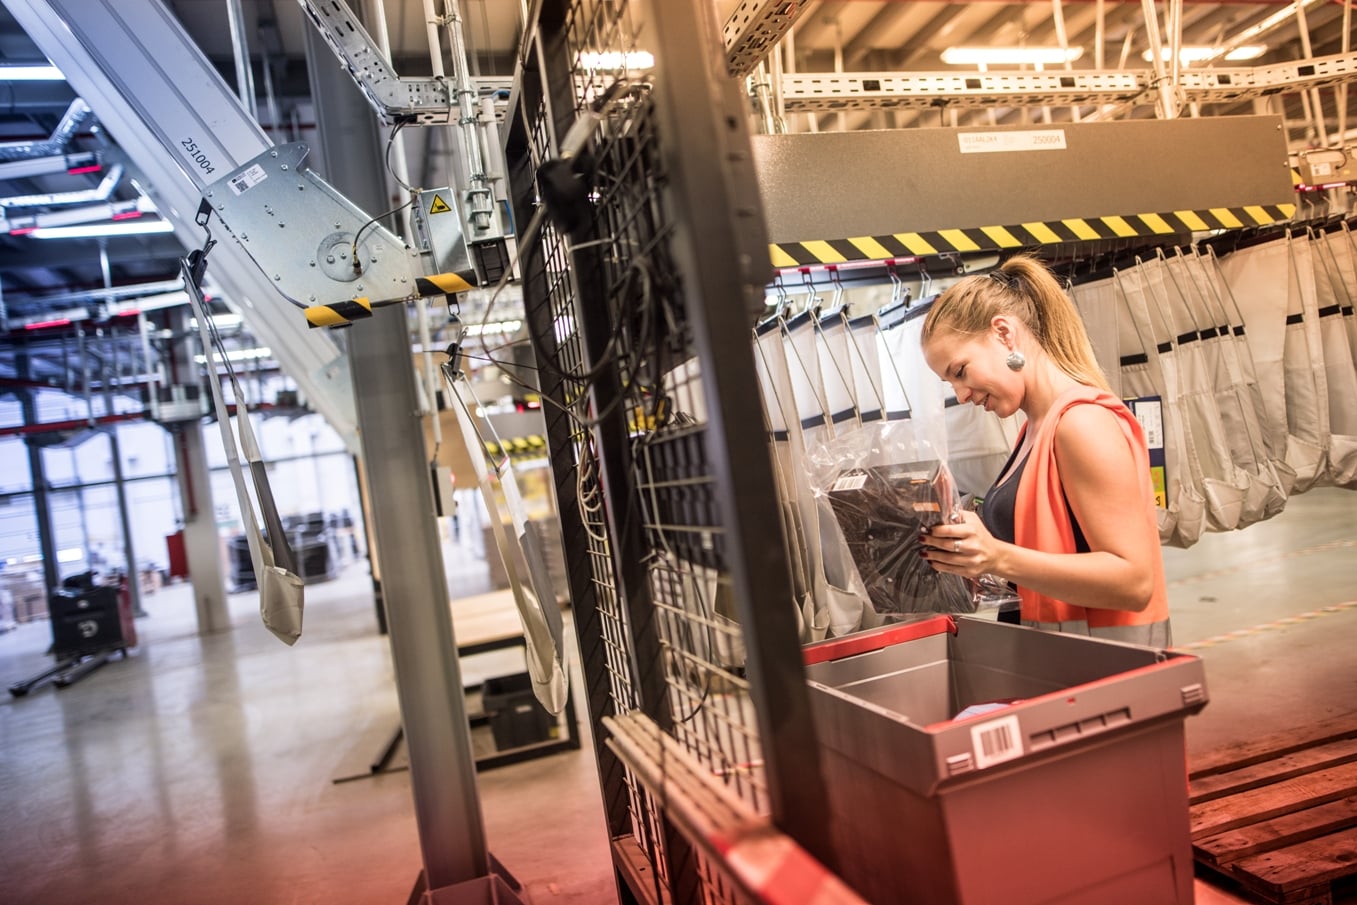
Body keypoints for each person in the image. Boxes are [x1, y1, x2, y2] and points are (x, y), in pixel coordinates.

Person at [917, 254, 1171, 647]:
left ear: (1004, 333)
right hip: (1060, 654)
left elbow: (1134, 582)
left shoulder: (1081, 423)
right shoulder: (1034, 430)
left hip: (1110, 664)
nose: (961, 395)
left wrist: (997, 556)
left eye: (960, 372)